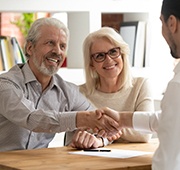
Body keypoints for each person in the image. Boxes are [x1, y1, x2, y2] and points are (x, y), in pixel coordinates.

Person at [0, 17, 120, 152]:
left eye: (62, 46)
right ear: (29, 48)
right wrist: (83, 119)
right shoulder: (5, 84)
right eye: (50, 43)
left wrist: (99, 139)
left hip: (37, 164)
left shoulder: (68, 91)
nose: (57, 51)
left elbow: (102, 124)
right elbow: (32, 118)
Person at [98, 0, 180, 169]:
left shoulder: (177, 85)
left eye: (161, 22)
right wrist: (122, 119)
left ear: (171, 23)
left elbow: (169, 162)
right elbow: (166, 120)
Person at [64, 26, 154, 149]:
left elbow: (145, 133)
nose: (108, 60)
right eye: (100, 56)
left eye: (113, 52)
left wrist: (103, 137)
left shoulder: (141, 86)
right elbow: (70, 141)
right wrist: (126, 128)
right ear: (91, 64)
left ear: (122, 54)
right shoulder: (78, 93)